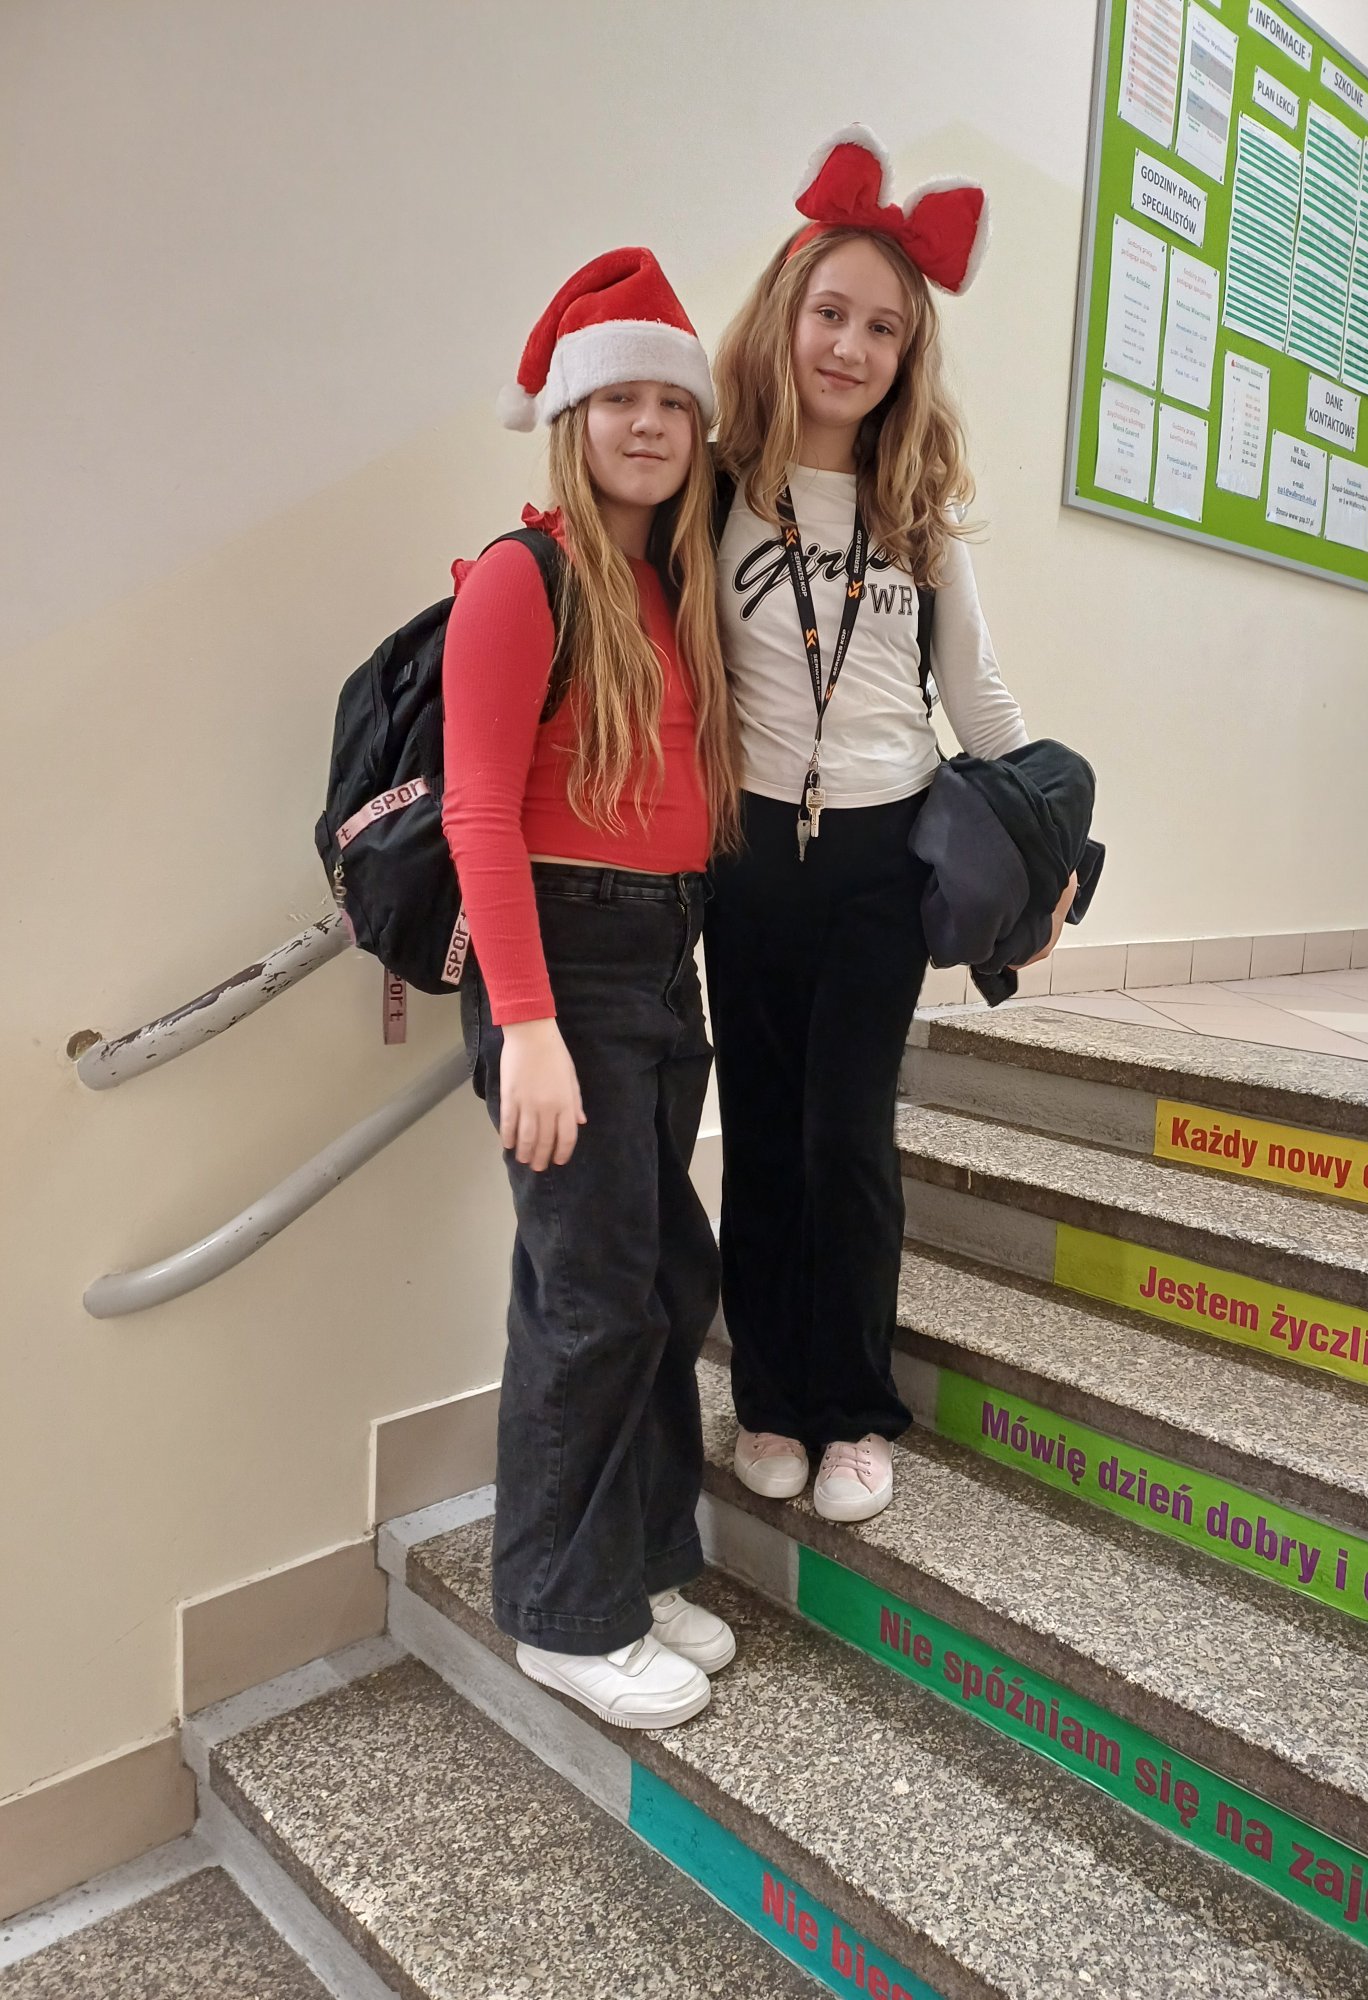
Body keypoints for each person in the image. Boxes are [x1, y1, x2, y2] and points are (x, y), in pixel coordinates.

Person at [705, 127, 1073, 1525]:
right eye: (831, 314)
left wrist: (1050, 854)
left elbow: (981, 701)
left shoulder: (918, 514)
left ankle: (855, 1408)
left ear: (909, 354)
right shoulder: (719, 492)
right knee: (762, 1135)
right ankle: (769, 1397)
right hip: (745, 861)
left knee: (847, 1143)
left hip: (879, 863)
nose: (851, 347)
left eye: (883, 328)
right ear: (784, 317)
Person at [441, 248, 740, 1729]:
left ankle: (637, 1561)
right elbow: (479, 813)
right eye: (619, 399)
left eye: (669, 404)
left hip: (661, 962)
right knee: (594, 1299)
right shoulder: (525, 577)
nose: (647, 425)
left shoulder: (668, 587)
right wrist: (528, 1027)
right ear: (573, 416)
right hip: (564, 971)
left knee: (662, 1280)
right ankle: (563, 1613)